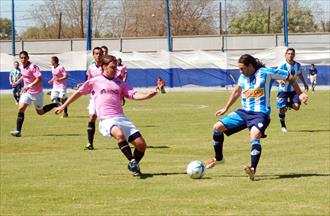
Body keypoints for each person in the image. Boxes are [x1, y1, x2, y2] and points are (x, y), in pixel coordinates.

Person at [205, 54, 308, 181]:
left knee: (254, 135)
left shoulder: (266, 73)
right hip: (243, 112)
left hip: (260, 114)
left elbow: (290, 77)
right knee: (217, 127)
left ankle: (252, 169)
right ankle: (219, 158)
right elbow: (237, 91)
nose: (240, 71)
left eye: (242, 68)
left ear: (250, 66)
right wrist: (226, 108)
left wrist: (301, 93)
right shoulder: (243, 77)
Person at [55, 55, 157, 176]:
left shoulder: (120, 83)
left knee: (141, 145)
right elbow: (78, 93)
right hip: (106, 119)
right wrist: (63, 106)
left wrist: (147, 95)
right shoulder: (95, 81)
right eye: (112, 67)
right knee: (119, 134)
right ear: (104, 66)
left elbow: (133, 94)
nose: (115, 70)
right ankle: (132, 160)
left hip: (121, 118)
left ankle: (134, 166)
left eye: (116, 68)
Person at [10, 51, 60, 137]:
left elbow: (39, 79)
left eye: (25, 57)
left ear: (28, 58)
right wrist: (18, 82)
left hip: (37, 93)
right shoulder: (21, 67)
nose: (23, 59)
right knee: (21, 108)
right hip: (27, 92)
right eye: (21, 58)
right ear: (19, 59)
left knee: (40, 112)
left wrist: (29, 85)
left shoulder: (33, 67)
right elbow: (23, 75)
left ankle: (54, 104)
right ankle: (18, 131)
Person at [276, 48, 309, 133]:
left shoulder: (297, 65)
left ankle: (284, 104)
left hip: (294, 89)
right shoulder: (282, 65)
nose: (290, 55)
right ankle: (283, 125)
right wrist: (278, 80)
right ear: (285, 55)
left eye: (292, 54)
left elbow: (300, 74)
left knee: (296, 107)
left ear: (294, 55)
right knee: (282, 109)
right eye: (289, 53)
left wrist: (304, 83)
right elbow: (275, 75)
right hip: (283, 90)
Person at [85, 47, 103, 150]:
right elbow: (89, 82)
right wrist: (83, 85)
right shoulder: (91, 68)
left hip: (105, 98)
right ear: (93, 55)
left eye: (100, 53)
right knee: (92, 118)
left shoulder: (106, 67)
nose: (98, 55)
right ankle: (90, 143)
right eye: (96, 54)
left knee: (109, 120)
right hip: (94, 96)